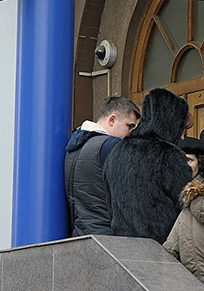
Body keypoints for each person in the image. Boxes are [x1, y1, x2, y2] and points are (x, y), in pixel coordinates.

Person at [104, 88, 192, 244]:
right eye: (181, 127)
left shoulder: (116, 151)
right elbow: (186, 204)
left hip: (122, 245)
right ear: (171, 123)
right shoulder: (168, 154)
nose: (182, 136)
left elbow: (110, 204)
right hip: (162, 246)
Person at [64, 97, 140, 236]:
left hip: (79, 235)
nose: (131, 133)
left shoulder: (73, 147)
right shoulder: (111, 146)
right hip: (108, 236)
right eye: (129, 126)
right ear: (112, 120)